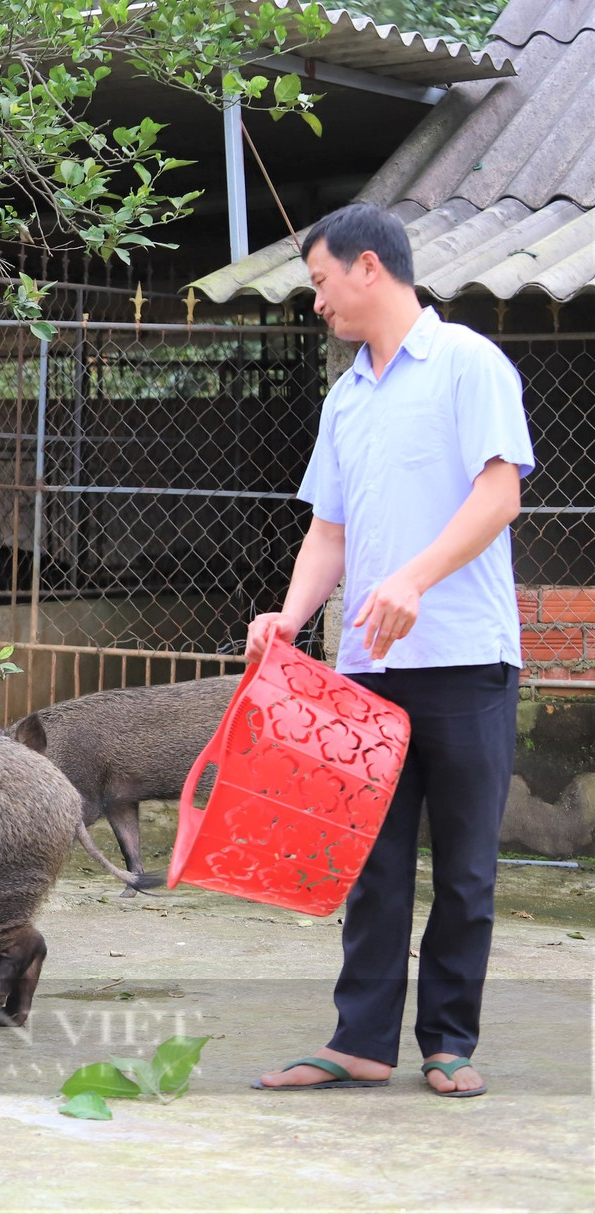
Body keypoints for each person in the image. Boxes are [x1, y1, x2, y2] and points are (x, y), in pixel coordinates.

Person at [247, 202, 530, 1099]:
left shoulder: (468, 364)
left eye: (321, 281)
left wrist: (413, 579)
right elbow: (329, 531)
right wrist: (291, 618)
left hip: (465, 656)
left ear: (369, 268)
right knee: (369, 864)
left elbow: (499, 496)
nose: (317, 301)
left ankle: (449, 1042)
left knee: (466, 867)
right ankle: (361, 1041)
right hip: (367, 668)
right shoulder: (346, 395)